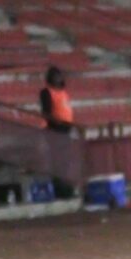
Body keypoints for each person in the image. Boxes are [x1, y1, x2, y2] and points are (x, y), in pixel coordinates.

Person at [39, 65, 76, 199]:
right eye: (55, 76)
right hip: (54, 130)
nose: (58, 79)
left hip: (65, 130)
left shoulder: (63, 92)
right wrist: (56, 126)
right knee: (57, 162)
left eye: (59, 76)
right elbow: (47, 112)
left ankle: (67, 189)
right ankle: (60, 191)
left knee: (65, 162)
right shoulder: (46, 92)